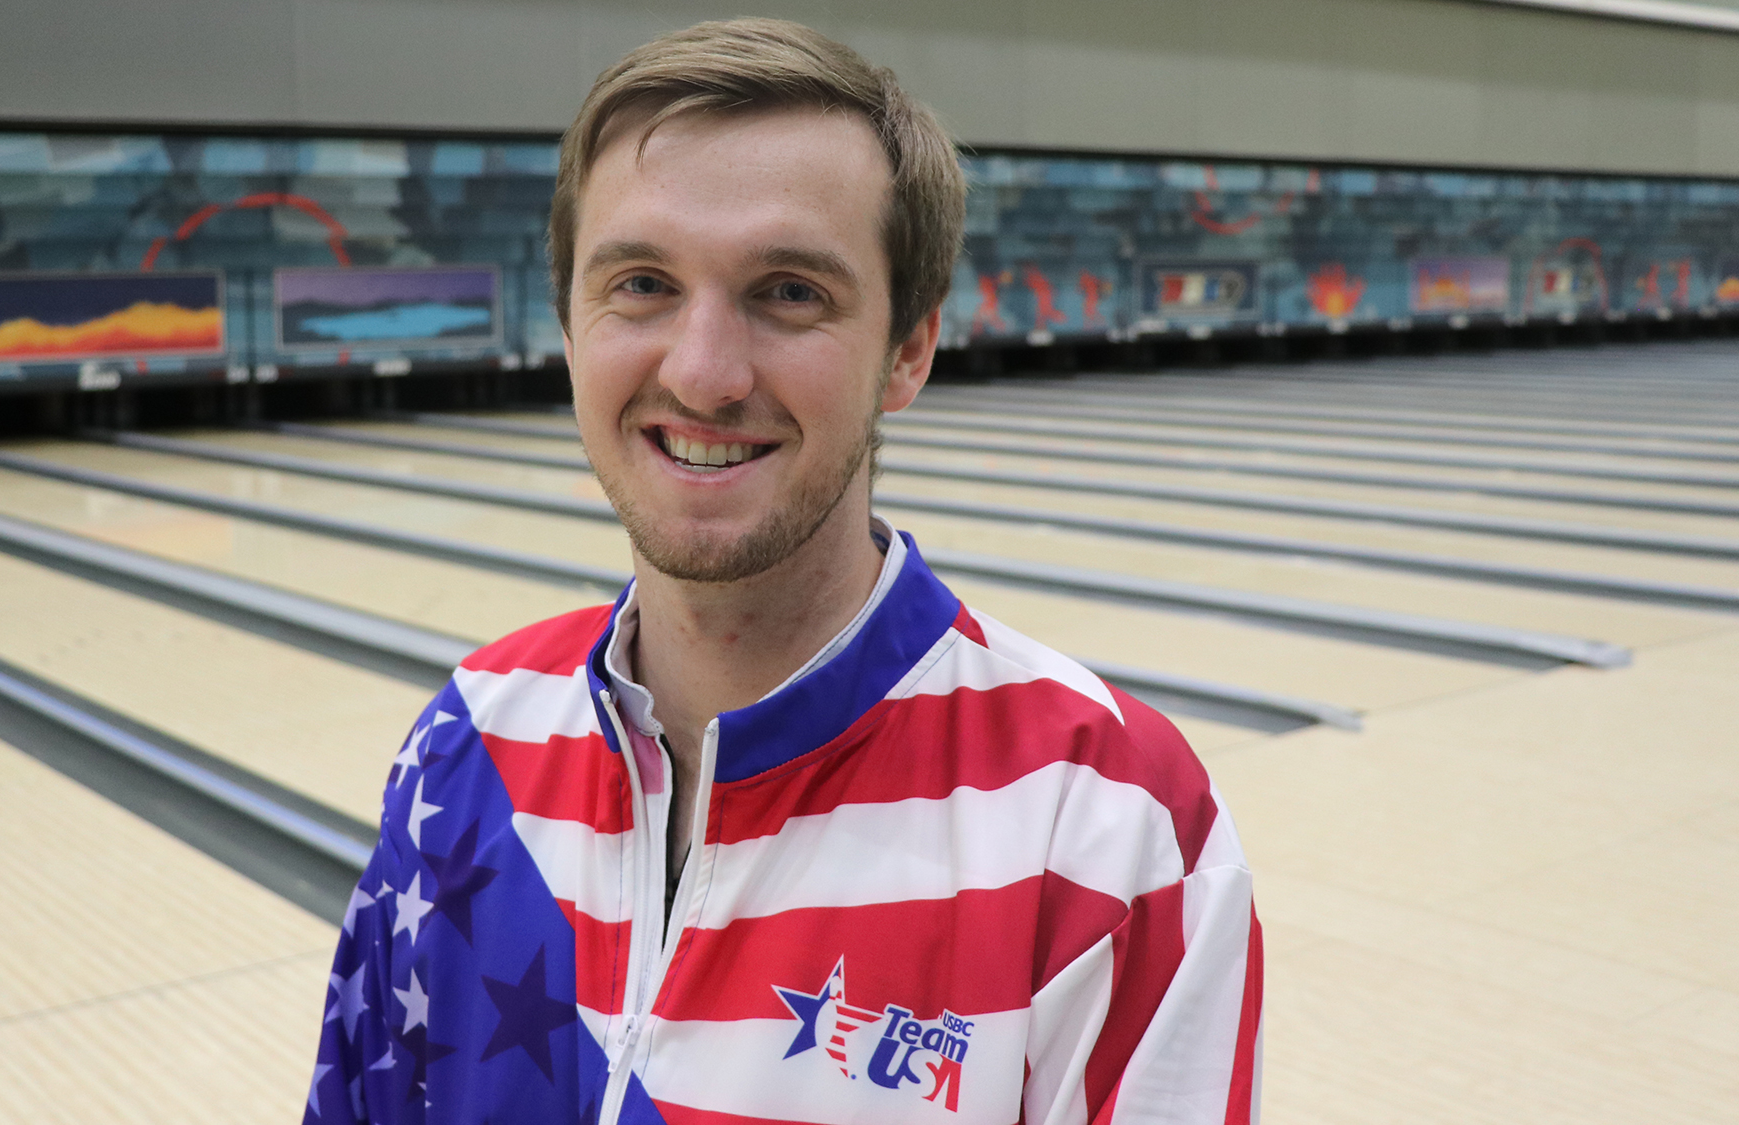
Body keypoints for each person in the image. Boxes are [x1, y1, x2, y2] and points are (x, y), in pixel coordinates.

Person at [305, 18, 1261, 1125]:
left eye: (789, 292)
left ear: (907, 350)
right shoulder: (465, 741)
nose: (704, 374)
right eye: (642, 283)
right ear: (569, 329)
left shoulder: (1108, 826)